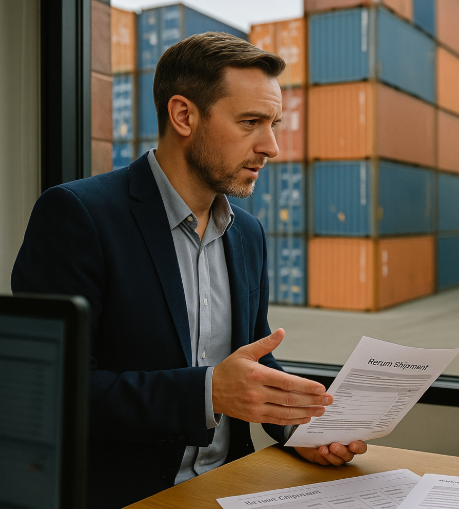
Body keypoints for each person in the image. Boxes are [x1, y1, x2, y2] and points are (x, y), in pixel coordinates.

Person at [12, 32, 365, 508]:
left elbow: (249, 362)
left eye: (275, 123)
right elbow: (48, 394)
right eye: (251, 123)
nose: (273, 147)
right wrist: (206, 392)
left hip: (230, 489)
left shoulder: (249, 233)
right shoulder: (78, 214)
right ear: (183, 115)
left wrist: (304, 425)